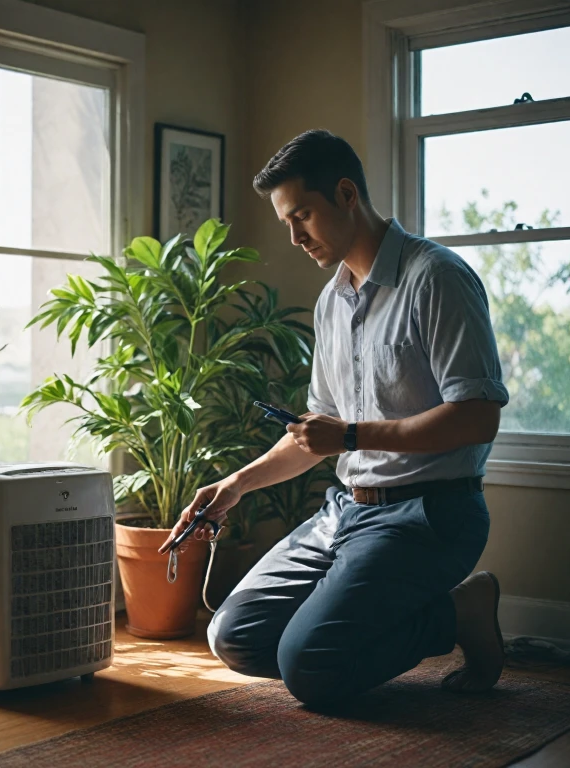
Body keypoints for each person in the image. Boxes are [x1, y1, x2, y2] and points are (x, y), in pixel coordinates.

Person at [158, 129, 510, 708]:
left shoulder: (437, 278)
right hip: (345, 511)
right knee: (234, 636)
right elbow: (315, 434)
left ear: (347, 194)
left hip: (430, 514)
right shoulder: (332, 302)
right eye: (286, 223)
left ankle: (459, 613)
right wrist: (235, 485)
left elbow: (476, 419)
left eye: (302, 216)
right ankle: (346, 631)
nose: (295, 237)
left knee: (310, 668)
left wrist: (348, 435)